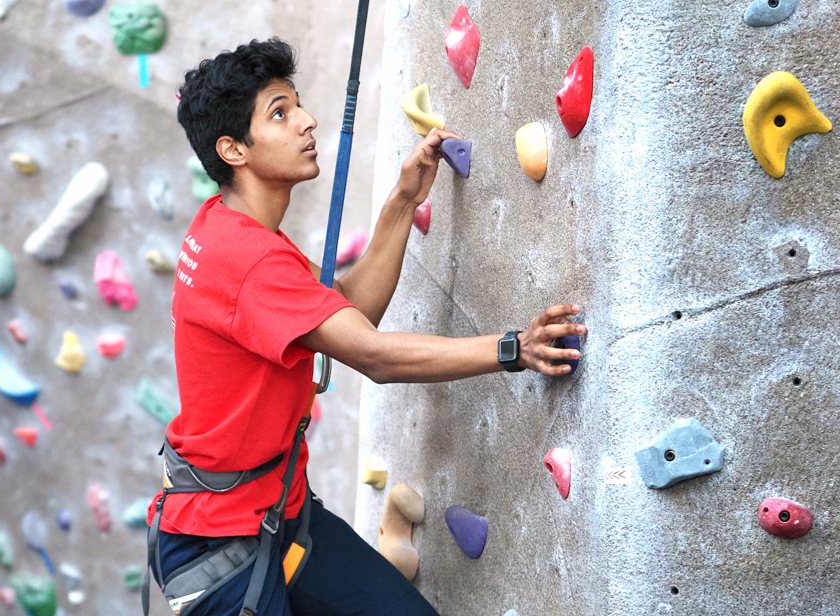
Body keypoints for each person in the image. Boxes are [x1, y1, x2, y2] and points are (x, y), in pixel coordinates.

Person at [144, 38, 585, 616]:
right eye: (280, 113)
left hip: (279, 517)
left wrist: (402, 202)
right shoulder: (247, 261)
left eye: (296, 104)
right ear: (233, 150)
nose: (307, 120)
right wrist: (512, 348)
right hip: (221, 551)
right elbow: (372, 355)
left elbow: (349, 310)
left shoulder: (229, 229)